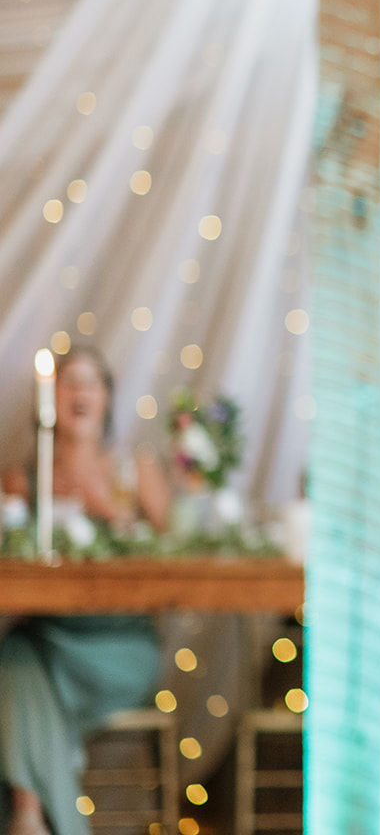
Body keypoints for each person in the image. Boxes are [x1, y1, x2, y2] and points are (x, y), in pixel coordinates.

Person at [0, 347, 170, 835]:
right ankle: (31, 813)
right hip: (50, 637)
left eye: (91, 382)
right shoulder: (22, 481)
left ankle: (29, 813)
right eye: (69, 381)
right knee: (16, 652)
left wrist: (111, 514)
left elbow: (174, 558)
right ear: (50, 398)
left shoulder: (134, 471)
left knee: (14, 660)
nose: (79, 391)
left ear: (107, 399)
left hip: (120, 646)